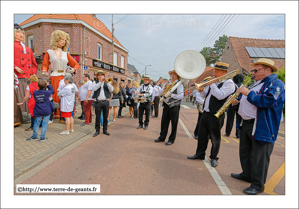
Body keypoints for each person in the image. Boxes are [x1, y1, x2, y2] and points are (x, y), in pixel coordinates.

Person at [230, 58, 285, 195]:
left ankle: (257, 185)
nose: (252, 72)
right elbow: (250, 100)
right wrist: (238, 102)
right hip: (247, 123)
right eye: (252, 70)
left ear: (268, 70)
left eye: (255, 70)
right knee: (245, 153)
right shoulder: (255, 83)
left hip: (261, 125)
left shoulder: (276, 83)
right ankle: (247, 174)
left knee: (260, 157)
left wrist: (248, 93)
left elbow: (268, 101)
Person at [187, 62, 235, 167]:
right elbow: (206, 95)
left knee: (215, 138)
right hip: (206, 112)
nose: (214, 73)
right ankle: (200, 154)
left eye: (216, 71)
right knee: (202, 135)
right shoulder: (214, 82)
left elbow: (220, 96)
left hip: (216, 114)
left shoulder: (229, 83)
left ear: (223, 72)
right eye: (214, 71)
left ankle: (213, 157)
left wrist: (211, 84)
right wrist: (201, 90)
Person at [41, 30, 79, 119]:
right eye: (62, 39)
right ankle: (55, 114)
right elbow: (45, 64)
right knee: (55, 96)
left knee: (65, 96)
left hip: (65, 77)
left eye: (65, 40)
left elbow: (76, 64)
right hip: (54, 76)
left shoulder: (66, 54)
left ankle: (65, 115)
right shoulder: (49, 52)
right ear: (56, 39)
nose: (63, 41)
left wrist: (74, 69)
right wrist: (44, 70)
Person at [14, 23, 38, 114]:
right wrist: (14, 67)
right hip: (17, 78)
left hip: (27, 78)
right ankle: (20, 115)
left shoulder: (28, 49)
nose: (21, 35)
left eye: (23, 33)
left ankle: (29, 114)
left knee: (29, 97)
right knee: (19, 97)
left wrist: (31, 74)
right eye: (18, 33)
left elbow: (34, 65)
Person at [154, 70, 183, 145]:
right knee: (164, 122)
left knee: (174, 123)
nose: (172, 75)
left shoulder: (179, 84)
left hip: (174, 106)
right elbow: (160, 92)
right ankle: (162, 137)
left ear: (177, 76)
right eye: (171, 74)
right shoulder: (167, 83)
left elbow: (181, 95)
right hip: (166, 104)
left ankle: (171, 139)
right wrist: (163, 89)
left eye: (174, 74)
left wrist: (171, 95)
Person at [92, 70, 114, 137]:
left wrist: (107, 83)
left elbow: (112, 90)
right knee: (97, 117)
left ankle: (105, 130)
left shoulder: (107, 83)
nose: (100, 76)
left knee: (105, 117)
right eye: (99, 75)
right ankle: (97, 131)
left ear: (104, 76)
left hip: (106, 102)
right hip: (98, 102)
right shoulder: (95, 82)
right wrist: (100, 83)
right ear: (97, 76)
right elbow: (94, 89)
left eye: (101, 75)